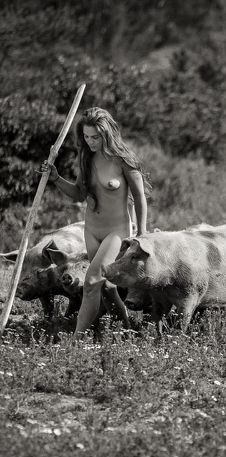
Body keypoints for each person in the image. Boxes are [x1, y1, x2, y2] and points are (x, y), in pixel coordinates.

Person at [40, 107, 148, 334]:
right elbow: (79, 194)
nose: (90, 142)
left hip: (116, 232)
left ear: (107, 134)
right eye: (86, 136)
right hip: (91, 231)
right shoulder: (86, 157)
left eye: (95, 137)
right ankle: (126, 330)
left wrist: (142, 233)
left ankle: (75, 341)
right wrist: (56, 178)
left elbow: (140, 198)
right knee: (106, 287)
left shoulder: (123, 159)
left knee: (90, 283)